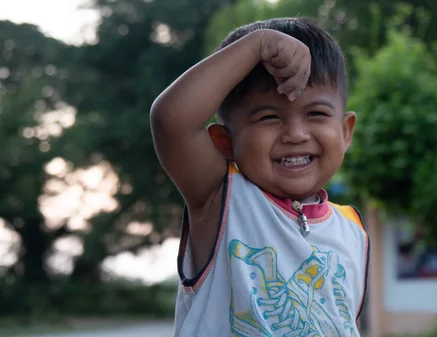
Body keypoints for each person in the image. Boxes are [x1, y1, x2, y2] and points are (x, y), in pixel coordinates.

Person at [151, 17, 370, 336]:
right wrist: (258, 45)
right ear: (225, 142)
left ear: (346, 131)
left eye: (316, 114)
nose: (296, 134)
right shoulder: (220, 199)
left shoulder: (354, 230)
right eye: (269, 117)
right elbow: (171, 121)